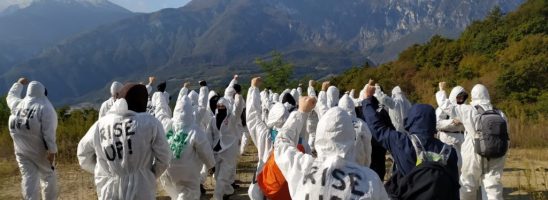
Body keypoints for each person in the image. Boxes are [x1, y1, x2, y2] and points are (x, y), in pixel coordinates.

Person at [274, 96, 388, 199]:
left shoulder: (303, 167)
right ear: (351, 137)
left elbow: (281, 144)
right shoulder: (370, 180)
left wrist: (301, 113)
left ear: (320, 135)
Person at [361, 80, 459, 199]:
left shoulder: (403, 143)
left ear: (411, 119)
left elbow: (377, 127)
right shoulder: (450, 152)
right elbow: (454, 186)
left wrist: (367, 100)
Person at [77, 83, 171, 200]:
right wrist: (150, 174)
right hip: (142, 188)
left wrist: (103, 171)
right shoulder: (150, 123)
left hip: (109, 189)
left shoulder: (100, 125)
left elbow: (83, 155)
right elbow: (165, 157)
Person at [449, 84, 508, 200]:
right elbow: (507, 136)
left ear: (473, 96)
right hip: (496, 152)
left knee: (468, 185)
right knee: (493, 187)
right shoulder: (500, 113)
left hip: (473, 151)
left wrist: (441, 93)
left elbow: (448, 107)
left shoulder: (469, 109)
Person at [7, 78, 58, 200]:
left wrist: (18, 84)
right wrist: (52, 151)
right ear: (43, 92)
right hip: (39, 149)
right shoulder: (45, 108)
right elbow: (49, 132)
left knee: (29, 177)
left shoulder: (17, 104)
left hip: (20, 150)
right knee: (48, 176)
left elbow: (11, 96)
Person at [159, 95, 216, 200]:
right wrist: (211, 165)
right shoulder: (194, 130)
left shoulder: (168, 124)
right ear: (191, 112)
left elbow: (160, 113)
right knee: (189, 192)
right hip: (187, 170)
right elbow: (205, 150)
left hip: (167, 167)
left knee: (175, 192)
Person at [206, 94, 243, 199]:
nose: (221, 108)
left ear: (227, 106)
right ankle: (228, 191)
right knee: (218, 176)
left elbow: (238, 109)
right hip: (216, 150)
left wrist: (238, 98)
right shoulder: (213, 120)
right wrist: (209, 151)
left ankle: (217, 197)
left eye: (223, 106)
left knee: (222, 176)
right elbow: (209, 136)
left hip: (229, 150)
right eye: (219, 106)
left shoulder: (232, 118)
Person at [435, 82, 466, 170]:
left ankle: (458, 183)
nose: (461, 98)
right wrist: (451, 122)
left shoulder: (464, 108)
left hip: (461, 139)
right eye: (459, 96)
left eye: (462, 96)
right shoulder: (442, 109)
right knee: (448, 164)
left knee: (461, 165)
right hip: (447, 138)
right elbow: (437, 123)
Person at [338, 93, 372, 167]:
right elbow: (367, 144)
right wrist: (367, 165)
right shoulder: (361, 123)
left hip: (342, 164)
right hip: (359, 162)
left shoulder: (337, 122)